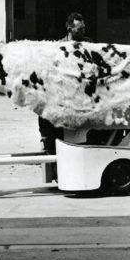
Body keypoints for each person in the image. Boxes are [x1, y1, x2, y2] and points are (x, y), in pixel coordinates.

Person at [40, 11, 89, 182]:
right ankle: (57, 172)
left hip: (79, 98)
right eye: (79, 29)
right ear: (69, 27)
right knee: (54, 137)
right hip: (60, 97)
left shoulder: (89, 45)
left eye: (83, 29)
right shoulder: (58, 47)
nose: (82, 33)